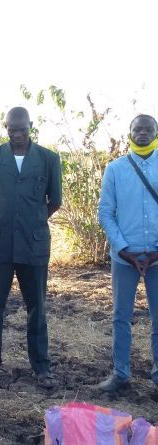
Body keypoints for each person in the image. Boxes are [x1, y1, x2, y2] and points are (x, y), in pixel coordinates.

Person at [0, 107, 62, 389]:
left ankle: (41, 367)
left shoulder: (48, 159)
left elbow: (55, 201)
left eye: (22, 129)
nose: (18, 134)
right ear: (6, 127)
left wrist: (31, 220)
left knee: (37, 307)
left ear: (31, 126)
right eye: (12, 129)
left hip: (34, 244)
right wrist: (8, 221)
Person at [97, 114, 158, 392]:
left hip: (157, 257)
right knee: (121, 316)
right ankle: (120, 374)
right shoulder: (115, 169)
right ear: (129, 133)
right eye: (137, 129)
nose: (142, 133)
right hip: (124, 258)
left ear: (156, 133)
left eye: (148, 129)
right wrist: (123, 250)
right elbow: (105, 213)